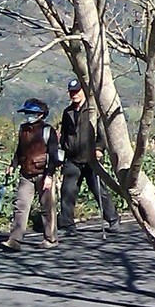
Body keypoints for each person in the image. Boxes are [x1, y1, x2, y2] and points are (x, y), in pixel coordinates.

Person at [58, 77, 120, 237]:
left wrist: (99, 149)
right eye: (71, 92)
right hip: (72, 158)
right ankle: (67, 225)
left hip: (91, 158)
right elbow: (64, 134)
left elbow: (103, 134)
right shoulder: (67, 112)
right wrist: (62, 149)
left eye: (76, 91)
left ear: (83, 91)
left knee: (99, 190)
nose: (74, 95)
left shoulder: (93, 110)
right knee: (67, 191)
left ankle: (113, 219)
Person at [1, 98, 60, 251]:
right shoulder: (23, 130)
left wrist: (49, 175)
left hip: (44, 174)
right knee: (20, 205)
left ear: (40, 114)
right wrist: (12, 165)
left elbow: (53, 155)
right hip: (26, 173)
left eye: (31, 113)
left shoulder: (48, 131)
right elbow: (19, 151)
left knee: (47, 207)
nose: (28, 115)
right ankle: (14, 240)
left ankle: (50, 239)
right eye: (27, 113)